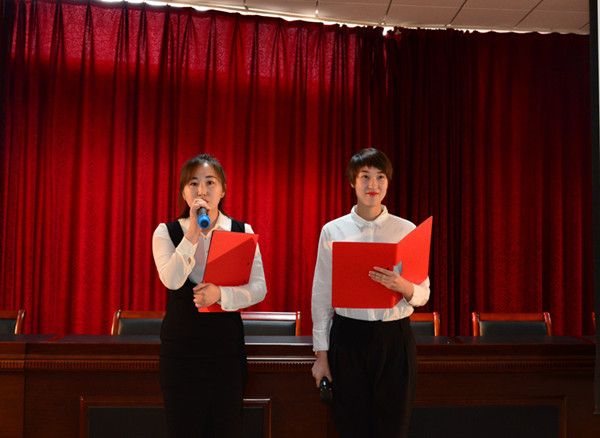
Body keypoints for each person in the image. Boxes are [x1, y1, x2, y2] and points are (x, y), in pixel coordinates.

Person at [311, 147, 430, 438]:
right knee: (351, 428)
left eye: (380, 177)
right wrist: (321, 356)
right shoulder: (333, 231)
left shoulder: (406, 230)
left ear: (388, 182)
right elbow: (321, 296)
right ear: (352, 181)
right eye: (365, 176)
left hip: (394, 340)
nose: (372, 184)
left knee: (394, 429)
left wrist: (403, 286)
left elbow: (423, 293)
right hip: (348, 340)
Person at [152, 154, 267, 437]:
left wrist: (220, 294)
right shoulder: (166, 232)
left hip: (225, 352)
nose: (201, 191)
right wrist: (192, 232)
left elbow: (259, 288)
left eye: (210, 182)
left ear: (223, 189)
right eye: (193, 183)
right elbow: (172, 280)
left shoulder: (241, 231)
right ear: (183, 192)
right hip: (181, 353)